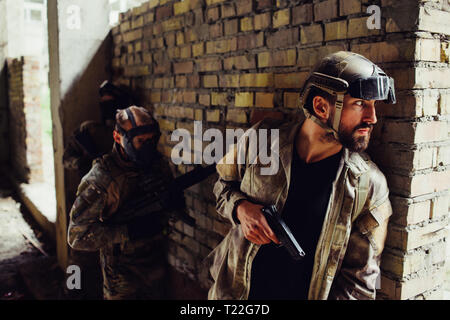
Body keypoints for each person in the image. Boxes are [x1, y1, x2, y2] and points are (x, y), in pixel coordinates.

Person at [206, 51, 396, 300]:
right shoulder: (260, 140)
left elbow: (359, 284)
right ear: (320, 106)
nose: (372, 118)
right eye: (360, 104)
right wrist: (240, 208)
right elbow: (222, 185)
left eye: (374, 106)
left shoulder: (369, 185)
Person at [67, 106, 178, 300]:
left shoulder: (157, 165)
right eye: (141, 141)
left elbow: (170, 210)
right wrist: (128, 231)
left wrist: (172, 204)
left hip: (155, 264)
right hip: (122, 275)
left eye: (152, 140)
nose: (147, 146)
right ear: (118, 137)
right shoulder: (102, 178)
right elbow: (77, 238)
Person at [63, 81, 133, 178]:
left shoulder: (130, 132)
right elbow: (66, 158)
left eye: (110, 101)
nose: (107, 106)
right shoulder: (88, 129)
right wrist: (80, 162)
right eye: (104, 102)